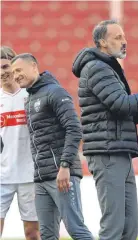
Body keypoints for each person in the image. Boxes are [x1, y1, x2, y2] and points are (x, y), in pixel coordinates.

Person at [72, 19, 138, 240]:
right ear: (102, 42)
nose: (124, 41)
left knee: (128, 228)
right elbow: (122, 104)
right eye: (117, 37)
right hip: (108, 154)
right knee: (114, 226)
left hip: (117, 151)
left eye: (124, 36)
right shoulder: (97, 68)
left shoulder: (105, 67)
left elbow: (125, 114)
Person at [11, 53, 93, 240]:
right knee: (47, 235)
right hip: (41, 179)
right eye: (13, 72)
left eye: (18, 70)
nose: (15, 75)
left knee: (76, 229)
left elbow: (74, 129)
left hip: (61, 175)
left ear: (33, 67)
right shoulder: (30, 99)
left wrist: (65, 166)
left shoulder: (55, 92)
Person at [0, 47, 39, 239]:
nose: (2, 72)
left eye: (6, 66)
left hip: (28, 175)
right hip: (2, 175)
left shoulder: (30, 95)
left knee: (32, 232)